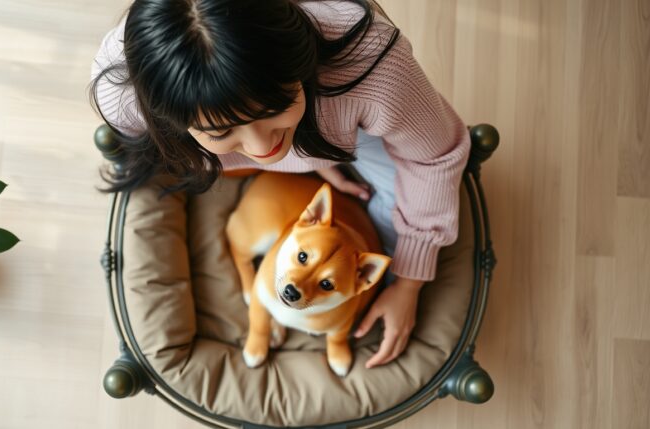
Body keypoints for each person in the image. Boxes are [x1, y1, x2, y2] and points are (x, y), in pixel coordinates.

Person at [90, 0, 470, 370]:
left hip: (351, 124)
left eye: (273, 107)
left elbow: (435, 155)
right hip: (306, 146)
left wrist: (408, 285)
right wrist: (304, 158)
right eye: (220, 130)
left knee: (392, 242)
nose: (261, 149)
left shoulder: (372, 64)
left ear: (299, 65)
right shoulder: (120, 94)